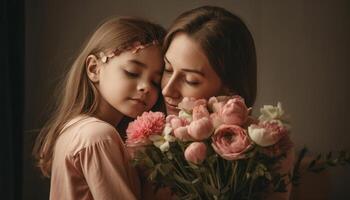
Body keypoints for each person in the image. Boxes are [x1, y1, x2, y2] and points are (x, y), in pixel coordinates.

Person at [161, 6, 294, 199]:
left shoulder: (268, 148)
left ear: (229, 88)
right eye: (167, 68)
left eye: (191, 80)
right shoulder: (143, 135)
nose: (167, 90)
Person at [32, 17, 166, 200]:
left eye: (155, 82)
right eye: (132, 72)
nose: (146, 87)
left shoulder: (75, 129)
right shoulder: (98, 136)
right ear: (94, 69)